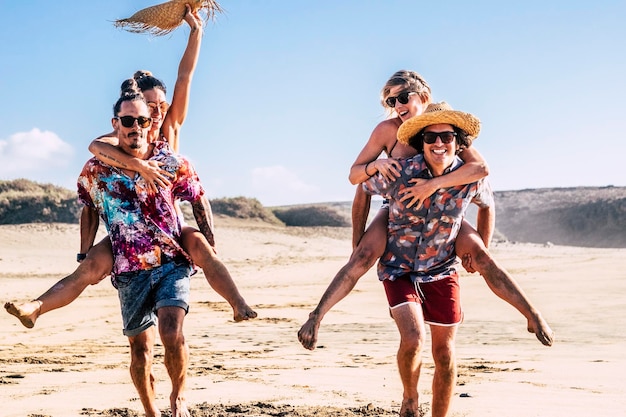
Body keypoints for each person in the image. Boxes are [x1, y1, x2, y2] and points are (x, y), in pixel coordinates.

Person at [4, 5, 256, 328]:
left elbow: (185, 76)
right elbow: (96, 149)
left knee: (204, 250)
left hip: (168, 228)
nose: (157, 112)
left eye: (160, 106)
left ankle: (237, 303)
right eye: (149, 106)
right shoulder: (125, 132)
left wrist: (196, 32)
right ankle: (36, 307)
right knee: (90, 270)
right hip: (128, 231)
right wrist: (139, 167)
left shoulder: (169, 131)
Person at [304, 102, 552, 417]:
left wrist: (478, 249)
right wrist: (358, 235)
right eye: (431, 138)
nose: (438, 144)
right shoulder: (401, 173)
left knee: (445, 354)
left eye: (446, 137)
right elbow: (362, 187)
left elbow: (487, 204)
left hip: (441, 269)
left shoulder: (469, 178)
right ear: (421, 142)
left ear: (458, 143)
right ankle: (409, 397)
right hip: (399, 269)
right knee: (413, 337)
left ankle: (532, 315)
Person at [79, 88, 206, 417]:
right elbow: (94, 158)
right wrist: (83, 253)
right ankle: (151, 412)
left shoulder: (168, 138)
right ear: (117, 121)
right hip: (130, 259)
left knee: (171, 330)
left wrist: (195, 34)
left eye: (146, 115)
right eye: (129, 119)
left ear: (155, 116)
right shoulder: (104, 156)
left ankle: (179, 396)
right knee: (140, 349)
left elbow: (185, 77)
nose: (137, 123)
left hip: (168, 248)